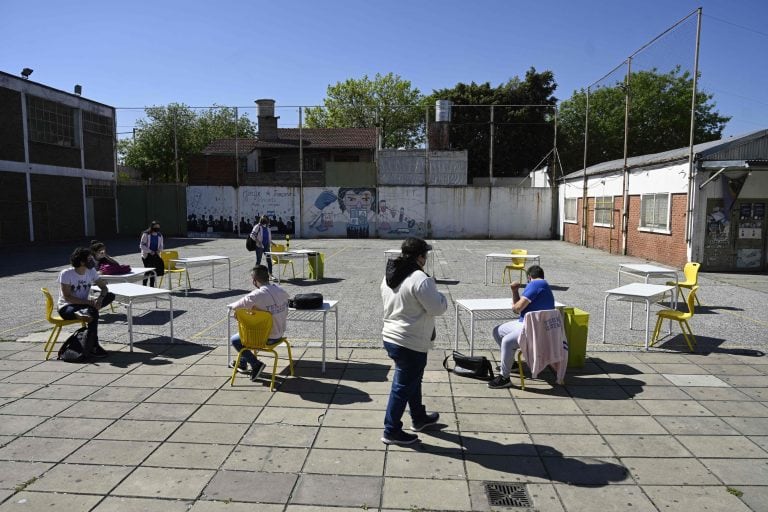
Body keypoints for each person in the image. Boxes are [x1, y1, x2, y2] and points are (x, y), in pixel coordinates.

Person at [380, 237, 448, 446]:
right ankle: (391, 430)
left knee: (412, 380)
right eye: (425, 255)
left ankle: (418, 417)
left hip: (392, 335)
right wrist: (442, 296)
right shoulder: (420, 279)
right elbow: (437, 308)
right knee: (402, 386)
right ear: (420, 257)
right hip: (410, 340)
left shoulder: (390, 275)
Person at [488, 264, 555, 389]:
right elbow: (520, 307)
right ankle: (511, 363)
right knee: (497, 331)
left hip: (532, 328)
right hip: (535, 326)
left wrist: (514, 291)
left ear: (529, 277)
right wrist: (515, 291)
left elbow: (517, 308)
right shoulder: (545, 285)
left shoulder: (535, 285)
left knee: (507, 341)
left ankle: (504, 377)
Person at [226, 265, 290, 381]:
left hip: (265, 338)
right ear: (268, 277)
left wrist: (247, 313)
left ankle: (255, 364)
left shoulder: (255, 295)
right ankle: (242, 363)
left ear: (254, 281)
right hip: (279, 334)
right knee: (247, 333)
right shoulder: (281, 291)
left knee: (236, 340)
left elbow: (234, 307)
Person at [57, 247, 116, 358]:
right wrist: (88, 303)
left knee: (110, 296)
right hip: (67, 307)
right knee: (93, 312)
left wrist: (100, 299)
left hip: (85, 305)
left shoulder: (91, 271)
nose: (92, 261)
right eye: (89, 259)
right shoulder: (66, 274)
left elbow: (104, 288)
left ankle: (87, 313)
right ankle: (94, 346)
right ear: (82, 262)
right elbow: (67, 297)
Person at [139, 220, 165, 287]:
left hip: (155, 255)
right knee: (148, 271)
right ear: (152, 227)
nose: (157, 228)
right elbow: (142, 245)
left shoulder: (160, 235)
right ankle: (144, 286)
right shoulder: (146, 234)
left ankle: (152, 286)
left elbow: (161, 245)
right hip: (147, 255)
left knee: (153, 271)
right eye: (155, 227)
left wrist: (159, 250)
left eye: (158, 227)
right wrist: (150, 251)